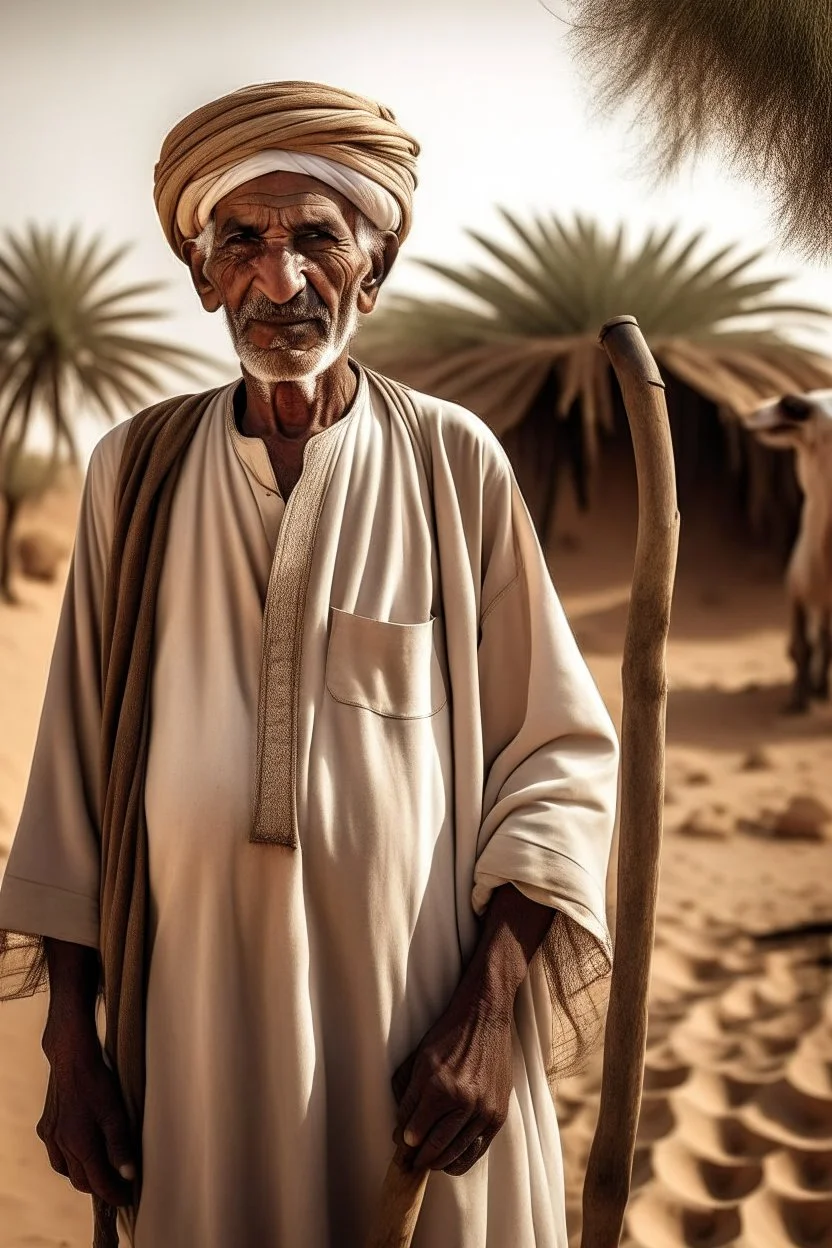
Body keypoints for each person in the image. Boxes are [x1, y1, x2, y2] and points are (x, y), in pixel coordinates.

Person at [0, 81, 619, 1248]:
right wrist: (68, 1046)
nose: (278, 281)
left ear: (371, 275)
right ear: (202, 277)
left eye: (317, 242)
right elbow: (72, 777)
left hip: (418, 1036)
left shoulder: (453, 463)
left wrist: (487, 1017)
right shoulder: (131, 472)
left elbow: (558, 756)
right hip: (188, 1044)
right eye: (242, 241)